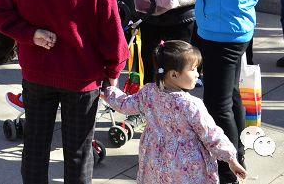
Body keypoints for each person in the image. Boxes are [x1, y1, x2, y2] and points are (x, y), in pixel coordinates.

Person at [0, 0, 128, 184]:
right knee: (78, 151)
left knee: (35, 147)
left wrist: (30, 34)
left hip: (37, 75)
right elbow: (113, 37)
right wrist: (113, 73)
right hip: (82, 79)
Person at [186, 0, 260, 184]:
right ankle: (238, 156)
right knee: (229, 96)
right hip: (232, 26)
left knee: (218, 103)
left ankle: (228, 171)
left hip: (223, 31)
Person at [103, 41, 248, 184]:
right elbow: (211, 135)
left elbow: (125, 104)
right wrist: (231, 159)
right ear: (173, 75)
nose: (198, 74)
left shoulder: (149, 92)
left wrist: (109, 92)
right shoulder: (191, 105)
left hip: (155, 157)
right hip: (186, 164)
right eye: (193, 69)